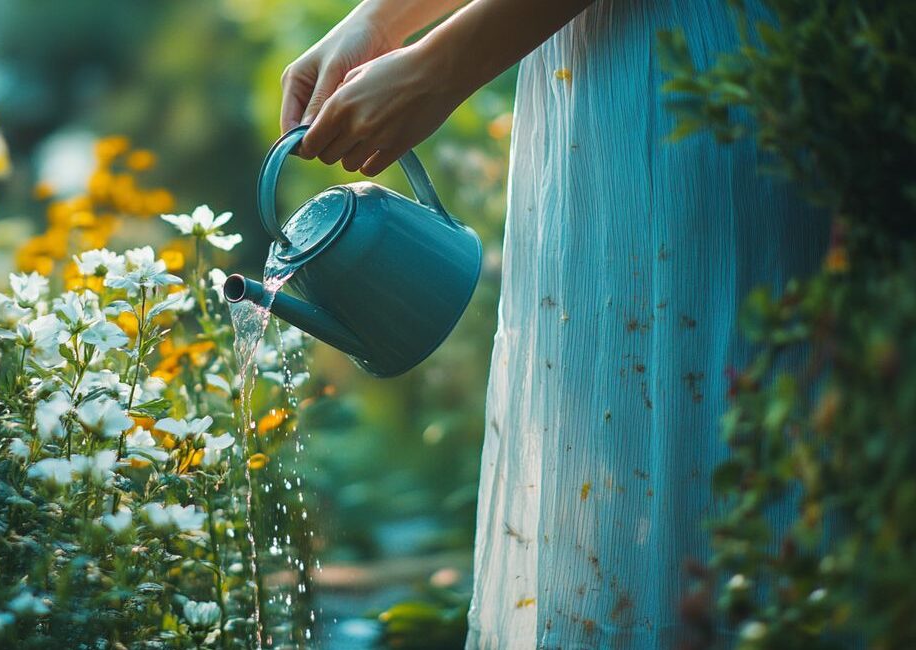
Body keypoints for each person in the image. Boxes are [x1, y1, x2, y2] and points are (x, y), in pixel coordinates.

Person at [281, 1, 826, 648]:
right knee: (631, 485)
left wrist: (439, 66)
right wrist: (379, 21)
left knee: (723, 453)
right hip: (593, 104)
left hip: (700, 82)